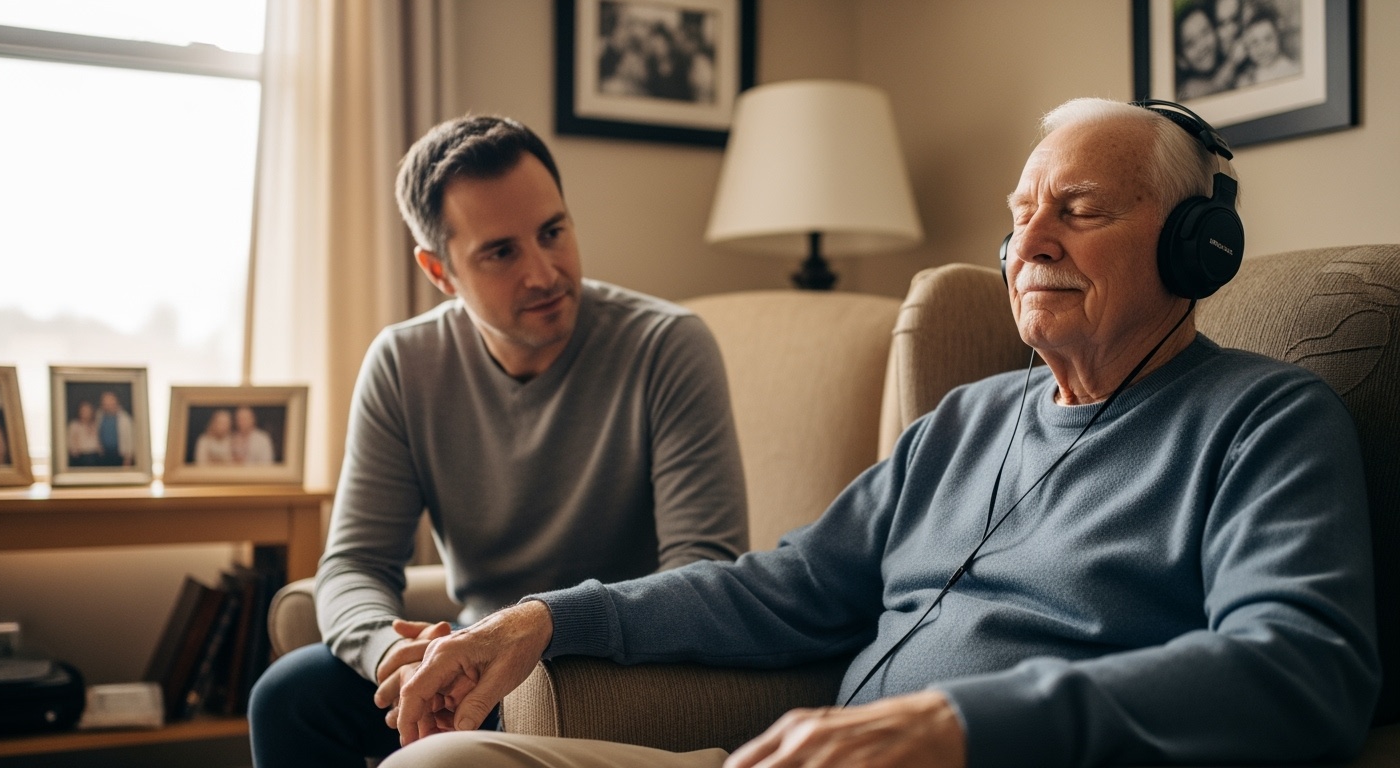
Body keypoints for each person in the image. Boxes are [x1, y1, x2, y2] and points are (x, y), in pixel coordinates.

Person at [382, 98, 1380, 768]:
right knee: (449, 764)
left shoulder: (1265, 423)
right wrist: (543, 619)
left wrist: (958, 726)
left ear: (1195, 247)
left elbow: (1305, 667)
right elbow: (778, 589)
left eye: (1076, 211)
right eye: (1020, 214)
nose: (1026, 245)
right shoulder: (966, 420)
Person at [247, 115, 748, 767]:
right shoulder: (404, 364)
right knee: (288, 697)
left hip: (618, 662)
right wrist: (392, 654)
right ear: (439, 270)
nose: (544, 273)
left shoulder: (668, 346)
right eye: (502, 252)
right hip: (472, 654)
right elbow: (355, 563)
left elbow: (703, 568)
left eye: (553, 232)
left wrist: (537, 632)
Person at [1233, 8, 1301, 88]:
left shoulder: (1292, 70)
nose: (1262, 48)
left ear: (1278, 37)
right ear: (1247, 47)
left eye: (1268, 39)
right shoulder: (1249, 78)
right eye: (1254, 42)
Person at [95, 390, 133, 467]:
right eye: (105, 402)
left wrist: (128, 458)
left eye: (109, 402)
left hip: (119, 454)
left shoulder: (125, 419)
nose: (107, 405)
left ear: (115, 402)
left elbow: (130, 439)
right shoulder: (99, 415)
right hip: (103, 454)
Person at [65, 400, 102, 466]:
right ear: (79, 412)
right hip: (81, 455)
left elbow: (98, 440)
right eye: (84, 411)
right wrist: (74, 452)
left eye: (88, 411)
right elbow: (70, 440)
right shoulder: (74, 425)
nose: (86, 413)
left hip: (94, 455)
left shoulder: (95, 424)